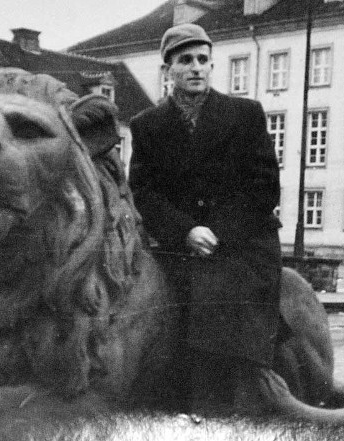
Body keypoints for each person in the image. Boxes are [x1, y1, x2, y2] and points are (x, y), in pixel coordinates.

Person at [128, 23, 283, 414]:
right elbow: (143, 191)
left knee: (216, 305)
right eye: (185, 60)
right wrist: (185, 231)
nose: (196, 68)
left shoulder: (244, 115)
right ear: (167, 71)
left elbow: (264, 188)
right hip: (181, 245)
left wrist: (217, 233)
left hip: (242, 244)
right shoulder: (147, 125)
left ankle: (224, 405)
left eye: (202, 59)